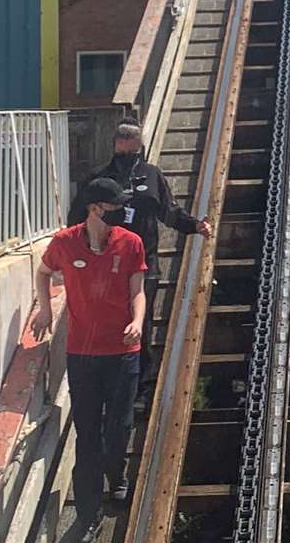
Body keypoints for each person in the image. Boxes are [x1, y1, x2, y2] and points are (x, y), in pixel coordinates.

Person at [32, 178, 146, 539]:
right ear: (96, 208)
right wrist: (46, 310)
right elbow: (43, 271)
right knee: (87, 435)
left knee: (120, 426)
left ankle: (118, 472)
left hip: (123, 352)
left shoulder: (131, 244)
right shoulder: (64, 243)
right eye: (115, 207)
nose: (122, 213)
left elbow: (138, 292)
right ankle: (88, 513)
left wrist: (138, 321)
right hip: (82, 354)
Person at [69, 118, 212, 391]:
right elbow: (77, 219)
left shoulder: (151, 175)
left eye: (132, 153)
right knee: (108, 319)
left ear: (141, 148)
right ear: (115, 147)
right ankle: (110, 379)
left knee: (141, 321)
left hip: (143, 262)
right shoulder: (99, 179)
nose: (128, 159)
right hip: (104, 265)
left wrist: (195, 226)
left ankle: (141, 383)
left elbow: (170, 212)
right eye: (123, 153)